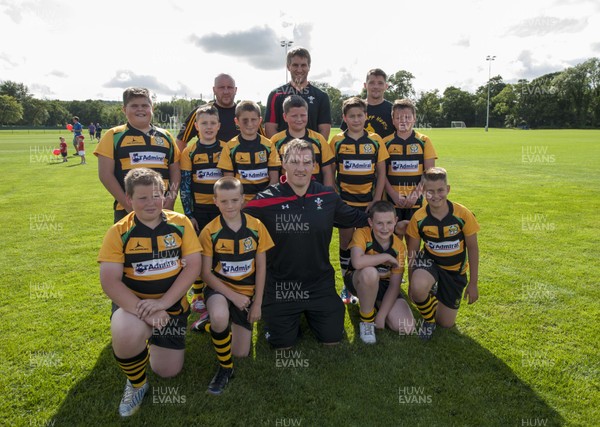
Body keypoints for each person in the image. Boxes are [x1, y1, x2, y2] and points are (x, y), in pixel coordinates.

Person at [244, 139, 369, 349]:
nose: (300, 168)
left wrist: (394, 222)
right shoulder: (264, 201)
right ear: (283, 163)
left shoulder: (327, 196)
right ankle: (280, 317)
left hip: (319, 284)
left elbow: (360, 219)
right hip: (281, 286)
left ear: (314, 165)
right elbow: (236, 222)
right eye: (294, 161)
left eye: (306, 162)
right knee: (282, 344)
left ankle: (311, 314)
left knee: (332, 339)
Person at [97, 168, 202, 417]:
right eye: (142, 198)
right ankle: (136, 383)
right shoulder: (118, 232)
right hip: (135, 307)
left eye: (156, 196)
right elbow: (110, 282)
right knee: (125, 332)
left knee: (168, 371)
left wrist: (163, 303)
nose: (151, 203)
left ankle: (154, 340)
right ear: (129, 199)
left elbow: (193, 266)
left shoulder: (180, 223)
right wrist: (144, 311)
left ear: (164, 195)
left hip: (172, 307)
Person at [200, 177, 274, 395]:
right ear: (215, 201)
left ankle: (210, 325)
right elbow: (205, 273)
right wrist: (233, 296)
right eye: (224, 201)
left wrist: (257, 304)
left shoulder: (256, 227)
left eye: (234, 200)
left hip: (247, 294)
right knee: (221, 316)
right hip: (220, 290)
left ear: (243, 199)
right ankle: (225, 368)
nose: (230, 206)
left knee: (241, 352)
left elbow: (261, 268)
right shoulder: (209, 231)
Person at [406, 167, 480, 340]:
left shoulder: (463, 214)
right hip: (429, 264)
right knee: (418, 288)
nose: (435, 195)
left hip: (455, 272)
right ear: (423, 192)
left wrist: (474, 283)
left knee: (446, 323)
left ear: (448, 189)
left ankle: (433, 296)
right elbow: (413, 252)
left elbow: (473, 248)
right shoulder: (418, 217)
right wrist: (411, 283)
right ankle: (428, 320)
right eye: (430, 191)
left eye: (440, 190)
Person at [330, 97, 389, 303]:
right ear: (344, 118)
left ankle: (369, 282)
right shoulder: (336, 141)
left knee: (367, 244)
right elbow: (331, 173)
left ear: (366, 116)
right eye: (351, 116)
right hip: (346, 204)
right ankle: (347, 286)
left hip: (368, 204)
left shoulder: (375, 140)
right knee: (346, 243)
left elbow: (381, 173)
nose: (356, 119)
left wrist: (375, 200)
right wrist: (337, 199)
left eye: (359, 115)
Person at [94, 87, 180, 223]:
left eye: (145, 105)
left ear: (152, 107)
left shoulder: (166, 136)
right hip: (127, 211)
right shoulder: (113, 135)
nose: (140, 109)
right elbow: (105, 175)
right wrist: (128, 204)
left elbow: (175, 171)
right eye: (134, 106)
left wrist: (171, 198)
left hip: (162, 208)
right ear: (124, 109)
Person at [179, 104, 227, 330]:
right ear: (196, 126)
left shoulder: (227, 148)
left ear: (219, 126)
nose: (208, 127)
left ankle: (221, 291)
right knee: (198, 254)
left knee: (219, 252)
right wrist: (189, 214)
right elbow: (186, 186)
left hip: (223, 211)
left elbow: (231, 180)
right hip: (200, 212)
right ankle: (198, 294)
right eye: (203, 123)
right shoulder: (189, 151)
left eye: (212, 123)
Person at [345, 200, 415, 344]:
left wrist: (382, 315)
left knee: (406, 327)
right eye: (379, 223)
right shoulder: (361, 233)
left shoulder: (399, 246)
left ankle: (376, 304)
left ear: (396, 221)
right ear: (370, 222)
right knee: (370, 273)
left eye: (389, 223)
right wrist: (386, 257)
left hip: (385, 285)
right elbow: (357, 262)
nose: (385, 228)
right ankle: (367, 321)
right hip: (359, 279)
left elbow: (395, 285)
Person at [383, 98, 437, 230]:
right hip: (392, 201)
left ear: (414, 118)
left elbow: (429, 173)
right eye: (399, 118)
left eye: (407, 117)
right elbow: (381, 174)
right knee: (393, 239)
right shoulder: (385, 142)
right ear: (393, 120)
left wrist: (415, 195)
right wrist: (394, 195)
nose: (403, 121)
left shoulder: (424, 141)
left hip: (416, 201)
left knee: (414, 238)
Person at [217, 100, 280, 202]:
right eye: (245, 120)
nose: (250, 124)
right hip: (240, 203)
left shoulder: (269, 145)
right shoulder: (229, 147)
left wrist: (262, 198)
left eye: (253, 120)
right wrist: (240, 201)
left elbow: (274, 179)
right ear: (237, 121)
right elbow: (229, 181)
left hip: (265, 201)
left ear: (260, 121)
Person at [264, 47, 332, 140]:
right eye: (295, 65)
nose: (299, 70)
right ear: (288, 66)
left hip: (312, 152)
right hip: (284, 152)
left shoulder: (321, 96)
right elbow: (270, 128)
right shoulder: (276, 95)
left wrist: (312, 151)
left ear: (309, 67)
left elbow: (324, 130)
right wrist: (283, 150)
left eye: (303, 65)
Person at [271, 95, 334, 187]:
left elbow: (327, 171)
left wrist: (328, 194)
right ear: (285, 117)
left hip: (315, 195)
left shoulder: (319, 139)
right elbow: (274, 172)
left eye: (303, 115)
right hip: (287, 194)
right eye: (294, 116)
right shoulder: (276, 141)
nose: (299, 119)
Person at [175, 73, 239, 152]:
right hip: (207, 163)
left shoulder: (245, 113)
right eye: (221, 87)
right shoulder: (201, 112)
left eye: (229, 87)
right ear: (214, 90)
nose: (226, 91)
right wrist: (185, 163)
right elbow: (181, 141)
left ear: (235, 90)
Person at [340, 68, 395, 138]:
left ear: (386, 86)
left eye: (380, 83)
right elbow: (343, 135)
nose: (376, 86)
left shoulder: (393, 110)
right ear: (365, 85)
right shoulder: (355, 108)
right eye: (372, 83)